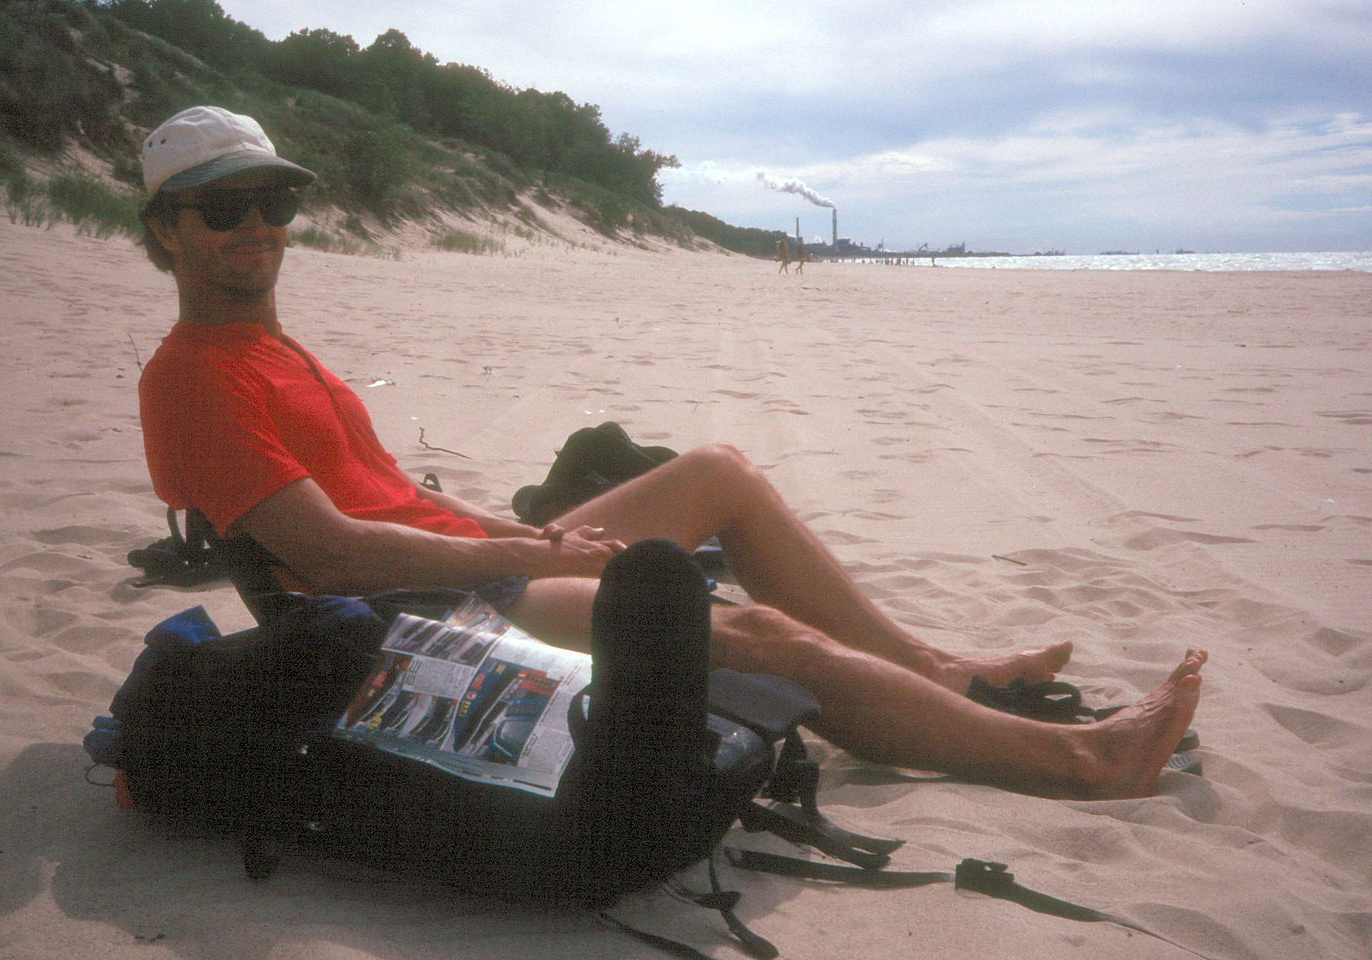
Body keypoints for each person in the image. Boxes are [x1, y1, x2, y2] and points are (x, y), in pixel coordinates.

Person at [136, 107, 1204, 800]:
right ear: (166, 230)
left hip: (468, 561)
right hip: (406, 618)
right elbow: (336, 559)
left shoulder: (280, 353)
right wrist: (536, 561)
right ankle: (1080, 761)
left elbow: (393, 502)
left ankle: (929, 670)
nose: (258, 227)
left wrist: (523, 530)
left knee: (721, 470)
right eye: (224, 208)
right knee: (756, 635)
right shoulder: (192, 375)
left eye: (273, 201)